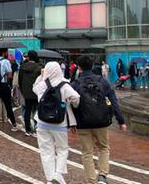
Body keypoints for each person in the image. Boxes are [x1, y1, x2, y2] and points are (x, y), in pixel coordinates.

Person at [71, 56, 126, 184]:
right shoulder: (103, 81)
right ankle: (102, 176)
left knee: (87, 152)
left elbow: (70, 104)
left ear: (79, 68)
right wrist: (121, 121)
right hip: (101, 121)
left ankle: (91, 181)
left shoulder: (75, 84)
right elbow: (114, 101)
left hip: (82, 123)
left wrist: (72, 123)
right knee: (103, 148)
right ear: (93, 66)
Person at [33, 61, 80, 184]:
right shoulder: (64, 85)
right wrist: (72, 104)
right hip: (60, 123)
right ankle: (58, 174)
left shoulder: (42, 85)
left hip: (42, 122)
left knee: (46, 151)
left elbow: (34, 87)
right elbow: (76, 98)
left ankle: (50, 179)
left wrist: (41, 75)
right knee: (62, 149)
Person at [0, 48, 18, 134]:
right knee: (8, 105)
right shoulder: (6, 61)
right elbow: (10, 75)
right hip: (3, 85)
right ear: (4, 52)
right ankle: (14, 125)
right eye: (7, 52)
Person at [18, 50, 42, 137]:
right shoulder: (39, 67)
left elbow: (20, 80)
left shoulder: (22, 67)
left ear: (28, 57)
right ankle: (36, 129)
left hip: (26, 92)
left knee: (27, 111)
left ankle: (27, 130)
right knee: (37, 111)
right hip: (37, 92)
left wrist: (23, 90)